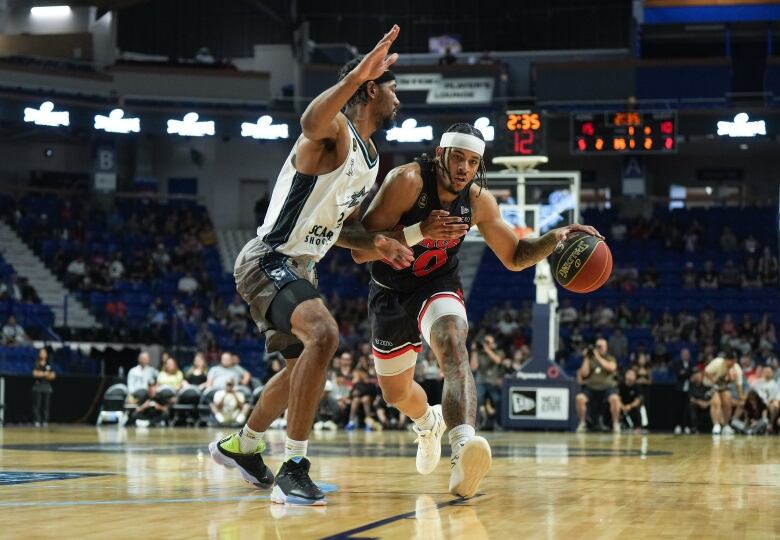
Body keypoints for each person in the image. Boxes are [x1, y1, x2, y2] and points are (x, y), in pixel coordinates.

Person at [209, 25, 412, 506]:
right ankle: (294, 467)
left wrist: (379, 243)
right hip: (269, 258)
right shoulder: (335, 131)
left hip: (303, 267)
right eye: (390, 86)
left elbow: (342, 228)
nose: (397, 97)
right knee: (324, 334)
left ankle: (244, 446)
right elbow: (309, 119)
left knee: (301, 369)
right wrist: (356, 72)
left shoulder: (370, 157)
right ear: (368, 88)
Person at [351, 122, 600, 497]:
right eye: (458, 158)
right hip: (390, 290)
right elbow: (360, 250)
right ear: (440, 155)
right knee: (395, 394)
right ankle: (426, 420)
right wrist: (420, 231)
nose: (465, 168)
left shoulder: (480, 200)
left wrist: (552, 239)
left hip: (438, 283)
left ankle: (463, 449)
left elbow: (515, 257)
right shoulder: (406, 181)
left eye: (473, 161)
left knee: (453, 344)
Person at [576, 338, 621, 433]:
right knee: (580, 398)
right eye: (598, 346)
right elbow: (584, 374)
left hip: (607, 388)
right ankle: (582, 423)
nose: (599, 348)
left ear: (606, 347)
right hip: (591, 388)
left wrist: (598, 357)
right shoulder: (590, 359)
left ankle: (616, 423)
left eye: (601, 346)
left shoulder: (610, 358)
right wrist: (587, 358)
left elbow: (611, 368)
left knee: (615, 399)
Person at [703, 349, 744, 435]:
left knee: (727, 400)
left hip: (723, 386)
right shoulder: (717, 362)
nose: (732, 363)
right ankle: (716, 425)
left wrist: (741, 397)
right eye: (730, 360)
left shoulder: (737, 369)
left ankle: (725, 425)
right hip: (710, 385)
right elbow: (706, 371)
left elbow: (738, 385)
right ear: (726, 359)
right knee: (716, 402)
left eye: (734, 361)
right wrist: (713, 379)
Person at [31, 348, 55, 427]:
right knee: (37, 405)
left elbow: (52, 376)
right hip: (37, 386)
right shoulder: (36, 363)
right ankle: (37, 420)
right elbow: (35, 374)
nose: (42, 354)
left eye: (44, 352)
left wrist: (42, 374)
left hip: (47, 387)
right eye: (41, 353)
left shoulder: (49, 364)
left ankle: (45, 421)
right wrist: (45, 374)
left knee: (46, 405)